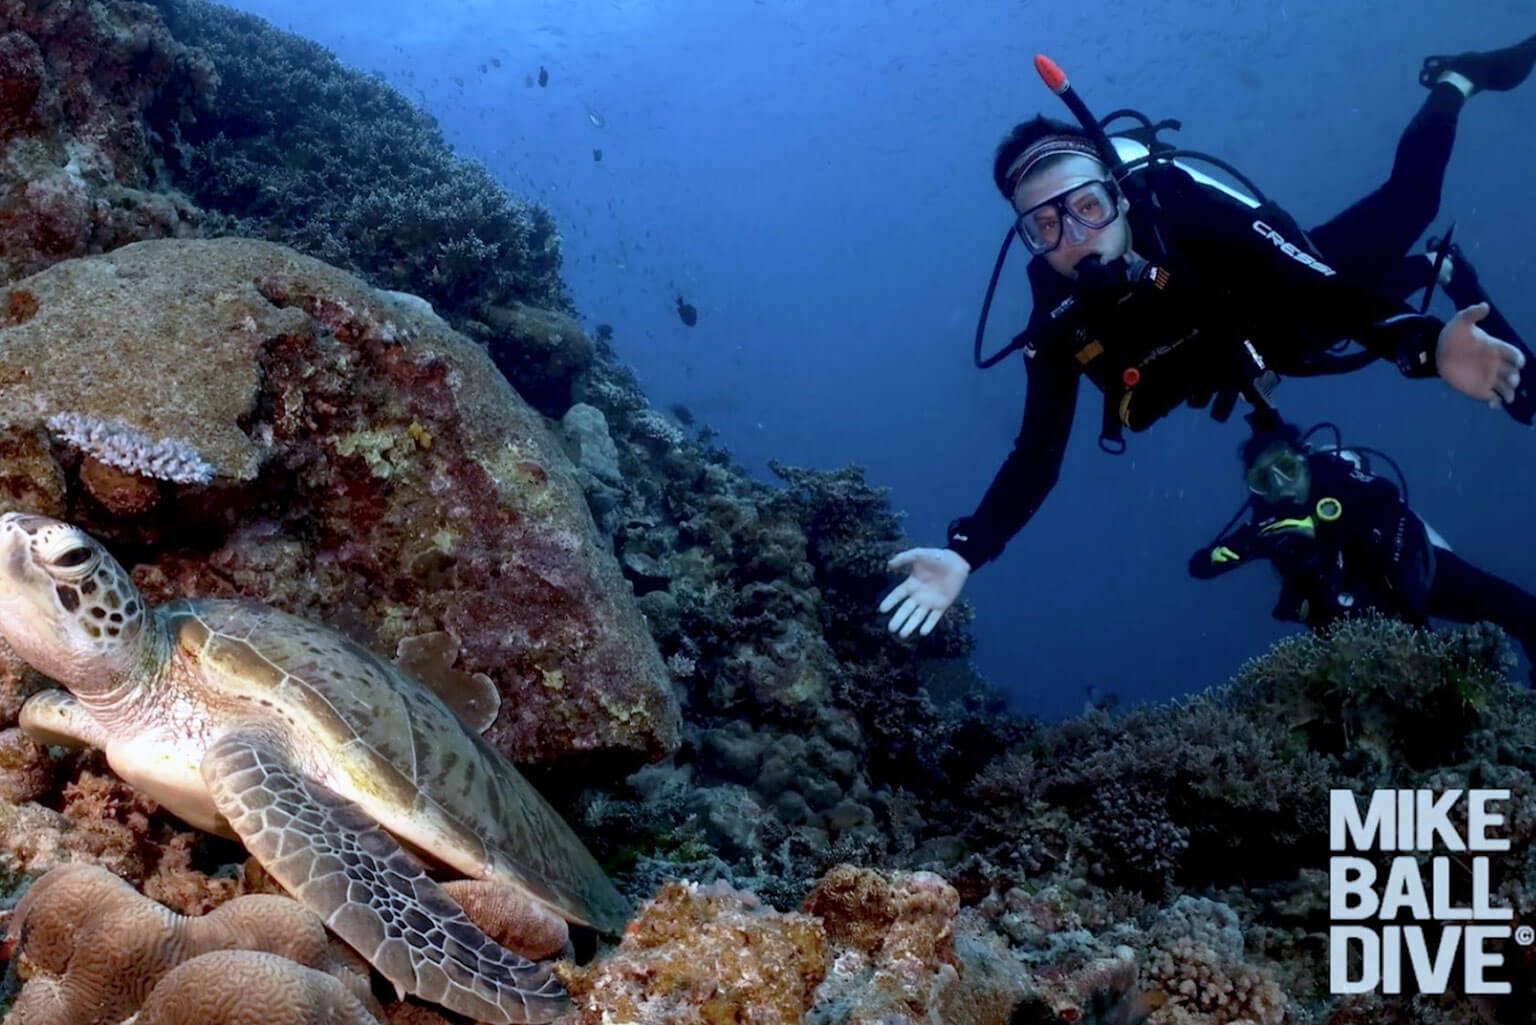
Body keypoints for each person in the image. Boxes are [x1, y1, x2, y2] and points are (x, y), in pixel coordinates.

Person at [880, 34, 1536, 640]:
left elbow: (1322, 290)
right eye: (1044, 228)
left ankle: (1454, 85)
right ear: (1027, 242)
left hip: (1282, 296)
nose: (1075, 239)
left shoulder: (1185, 212)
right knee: (1308, 337)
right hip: (1255, 355)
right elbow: (1035, 456)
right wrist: (967, 549)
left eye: (1086, 207)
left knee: (1409, 204)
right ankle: (1426, 265)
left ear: (1118, 194)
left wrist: (1422, 344)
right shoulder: (1058, 321)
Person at [1188, 419, 1536, 669]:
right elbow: (1199, 567)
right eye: (1264, 479)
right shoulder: (1265, 524)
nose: (1280, 485)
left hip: (1420, 572)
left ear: (1304, 459)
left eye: (1286, 468)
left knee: (1515, 609)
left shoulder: (1342, 480)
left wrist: (1318, 529)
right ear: (1255, 488)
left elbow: (1386, 496)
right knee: (1414, 682)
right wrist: (1228, 554)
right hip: (1352, 628)